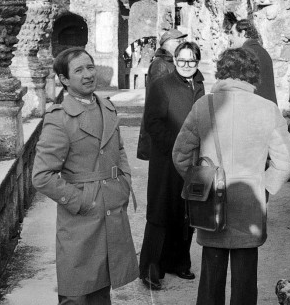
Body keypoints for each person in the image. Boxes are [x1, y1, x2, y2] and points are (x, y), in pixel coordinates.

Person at [172, 48, 290, 305]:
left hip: (210, 202)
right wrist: (263, 187)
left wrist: (200, 184)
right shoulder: (267, 108)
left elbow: (180, 156)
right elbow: (287, 160)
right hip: (250, 202)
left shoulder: (203, 105)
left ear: (222, 72)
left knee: (210, 275)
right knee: (245, 278)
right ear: (253, 74)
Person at [32, 48, 138, 304]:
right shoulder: (59, 119)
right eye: (78, 70)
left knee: (102, 289)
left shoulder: (107, 107)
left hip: (112, 209)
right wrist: (81, 202)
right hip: (82, 217)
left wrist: (124, 182)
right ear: (64, 80)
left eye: (90, 67)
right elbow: (42, 175)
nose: (88, 75)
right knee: (77, 293)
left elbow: (119, 150)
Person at [139, 41, 205, 290]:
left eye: (191, 61)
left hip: (192, 161)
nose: (186, 66)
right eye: (182, 61)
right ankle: (151, 268)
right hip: (166, 161)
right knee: (160, 212)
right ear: (175, 61)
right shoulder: (161, 85)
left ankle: (180, 262)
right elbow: (153, 123)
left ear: (197, 61)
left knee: (186, 212)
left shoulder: (199, 85)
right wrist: (177, 147)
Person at [137, 28, 187, 160]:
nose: (182, 43)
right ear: (168, 43)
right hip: (164, 127)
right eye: (179, 41)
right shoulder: (160, 64)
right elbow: (157, 101)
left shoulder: (170, 62)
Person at [228, 19, 278, 105]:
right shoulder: (262, 51)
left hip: (253, 109)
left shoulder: (244, 54)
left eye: (232, 33)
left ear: (243, 33)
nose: (229, 37)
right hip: (267, 109)